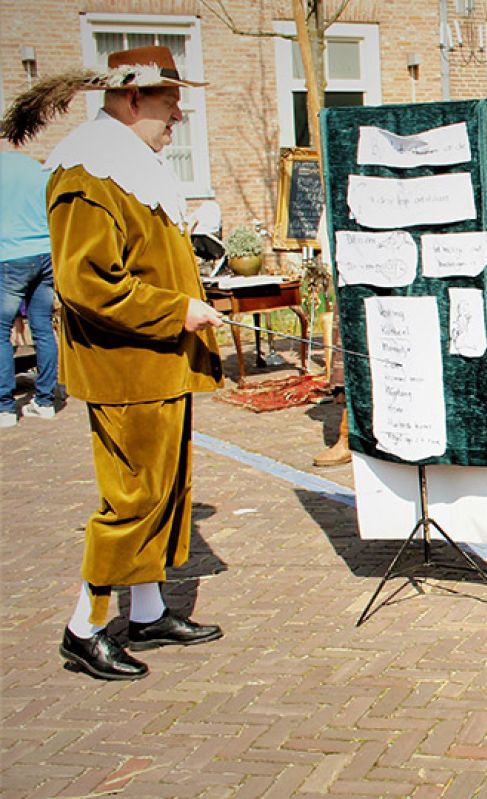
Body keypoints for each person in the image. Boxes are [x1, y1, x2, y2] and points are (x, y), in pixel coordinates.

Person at [2, 45, 227, 681]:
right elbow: (87, 284)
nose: (178, 114)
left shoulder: (125, 165)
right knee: (132, 497)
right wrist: (176, 311)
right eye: (169, 101)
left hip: (155, 364)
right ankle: (86, 625)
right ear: (133, 99)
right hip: (126, 367)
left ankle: (149, 610)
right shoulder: (86, 174)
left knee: (162, 491)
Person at [0, 142, 58, 427]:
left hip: (8, 257)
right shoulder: (38, 170)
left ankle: (5, 408)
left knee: (0, 332)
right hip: (45, 256)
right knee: (43, 327)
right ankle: (46, 401)